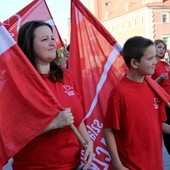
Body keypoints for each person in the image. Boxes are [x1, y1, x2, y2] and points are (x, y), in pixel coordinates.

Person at [12, 20, 93, 170]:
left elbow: (76, 117)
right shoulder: (17, 84)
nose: (52, 43)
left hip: (74, 165)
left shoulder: (65, 76)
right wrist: (52, 124)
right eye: (44, 39)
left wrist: (88, 141)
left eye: (51, 37)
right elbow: (11, 134)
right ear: (29, 45)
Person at [104, 36, 170, 170]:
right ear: (134, 63)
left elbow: (157, 123)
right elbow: (108, 129)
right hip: (132, 164)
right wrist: (118, 165)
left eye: (154, 58)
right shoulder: (119, 93)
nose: (155, 63)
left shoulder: (152, 86)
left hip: (155, 163)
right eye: (150, 58)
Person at [152, 39, 170, 154]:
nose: (162, 49)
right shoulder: (152, 64)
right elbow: (148, 84)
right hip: (163, 103)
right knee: (167, 131)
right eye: (159, 47)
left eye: (163, 48)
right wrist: (160, 78)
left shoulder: (165, 64)